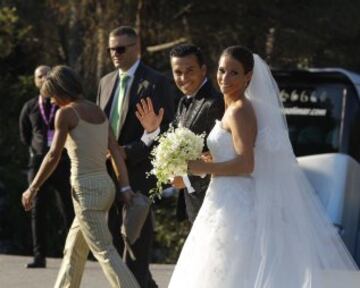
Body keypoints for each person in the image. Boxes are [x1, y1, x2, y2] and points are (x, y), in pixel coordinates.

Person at [166, 46, 359, 287]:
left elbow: (247, 164)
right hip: (224, 199)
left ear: (248, 77)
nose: (225, 78)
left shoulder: (239, 111)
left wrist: (201, 168)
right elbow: (237, 154)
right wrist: (210, 160)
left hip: (235, 203)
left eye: (234, 73)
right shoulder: (233, 108)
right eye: (223, 70)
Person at [21, 65, 140, 288]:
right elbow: (115, 151)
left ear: (60, 90)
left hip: (86, 191)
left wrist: (33, 187)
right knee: (73, 249)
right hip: (105, 187)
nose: (53, 102)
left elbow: (53, 155)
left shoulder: (66, 114)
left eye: (53, 96)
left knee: (105, 250)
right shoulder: (99, 111)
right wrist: (124, 187)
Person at [97, 26, 174, 288]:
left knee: (136, 257)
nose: (114, 54)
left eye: (120, 48)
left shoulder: (156, 82)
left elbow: (163, 132)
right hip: (109, 177)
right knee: (116, 256)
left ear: (136, 47)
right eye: (110, 49)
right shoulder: (105, 82)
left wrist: (124, 153)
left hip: (139, 178)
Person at [137, 44, 224, 223]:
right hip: (194, 205)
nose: (183, 78)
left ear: (203, 70)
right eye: (177, 72)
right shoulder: (183, 102)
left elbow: (222, 157)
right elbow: (174, 145)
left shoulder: (215, 103)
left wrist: (187, 179)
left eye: (189, 70)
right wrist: (153, 130)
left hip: (214, 204)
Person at [19, 65, 74, 268]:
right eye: (39, 76)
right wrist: (38, 150)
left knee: (68, 209)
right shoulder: (30, 106)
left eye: (46, 75)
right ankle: (39, 256)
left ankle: (71, 256)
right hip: (38, 164)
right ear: (35, 80)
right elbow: (25, 135)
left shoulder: (64, 106)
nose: (43, 79)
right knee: (37, 211)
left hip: (62, 162)